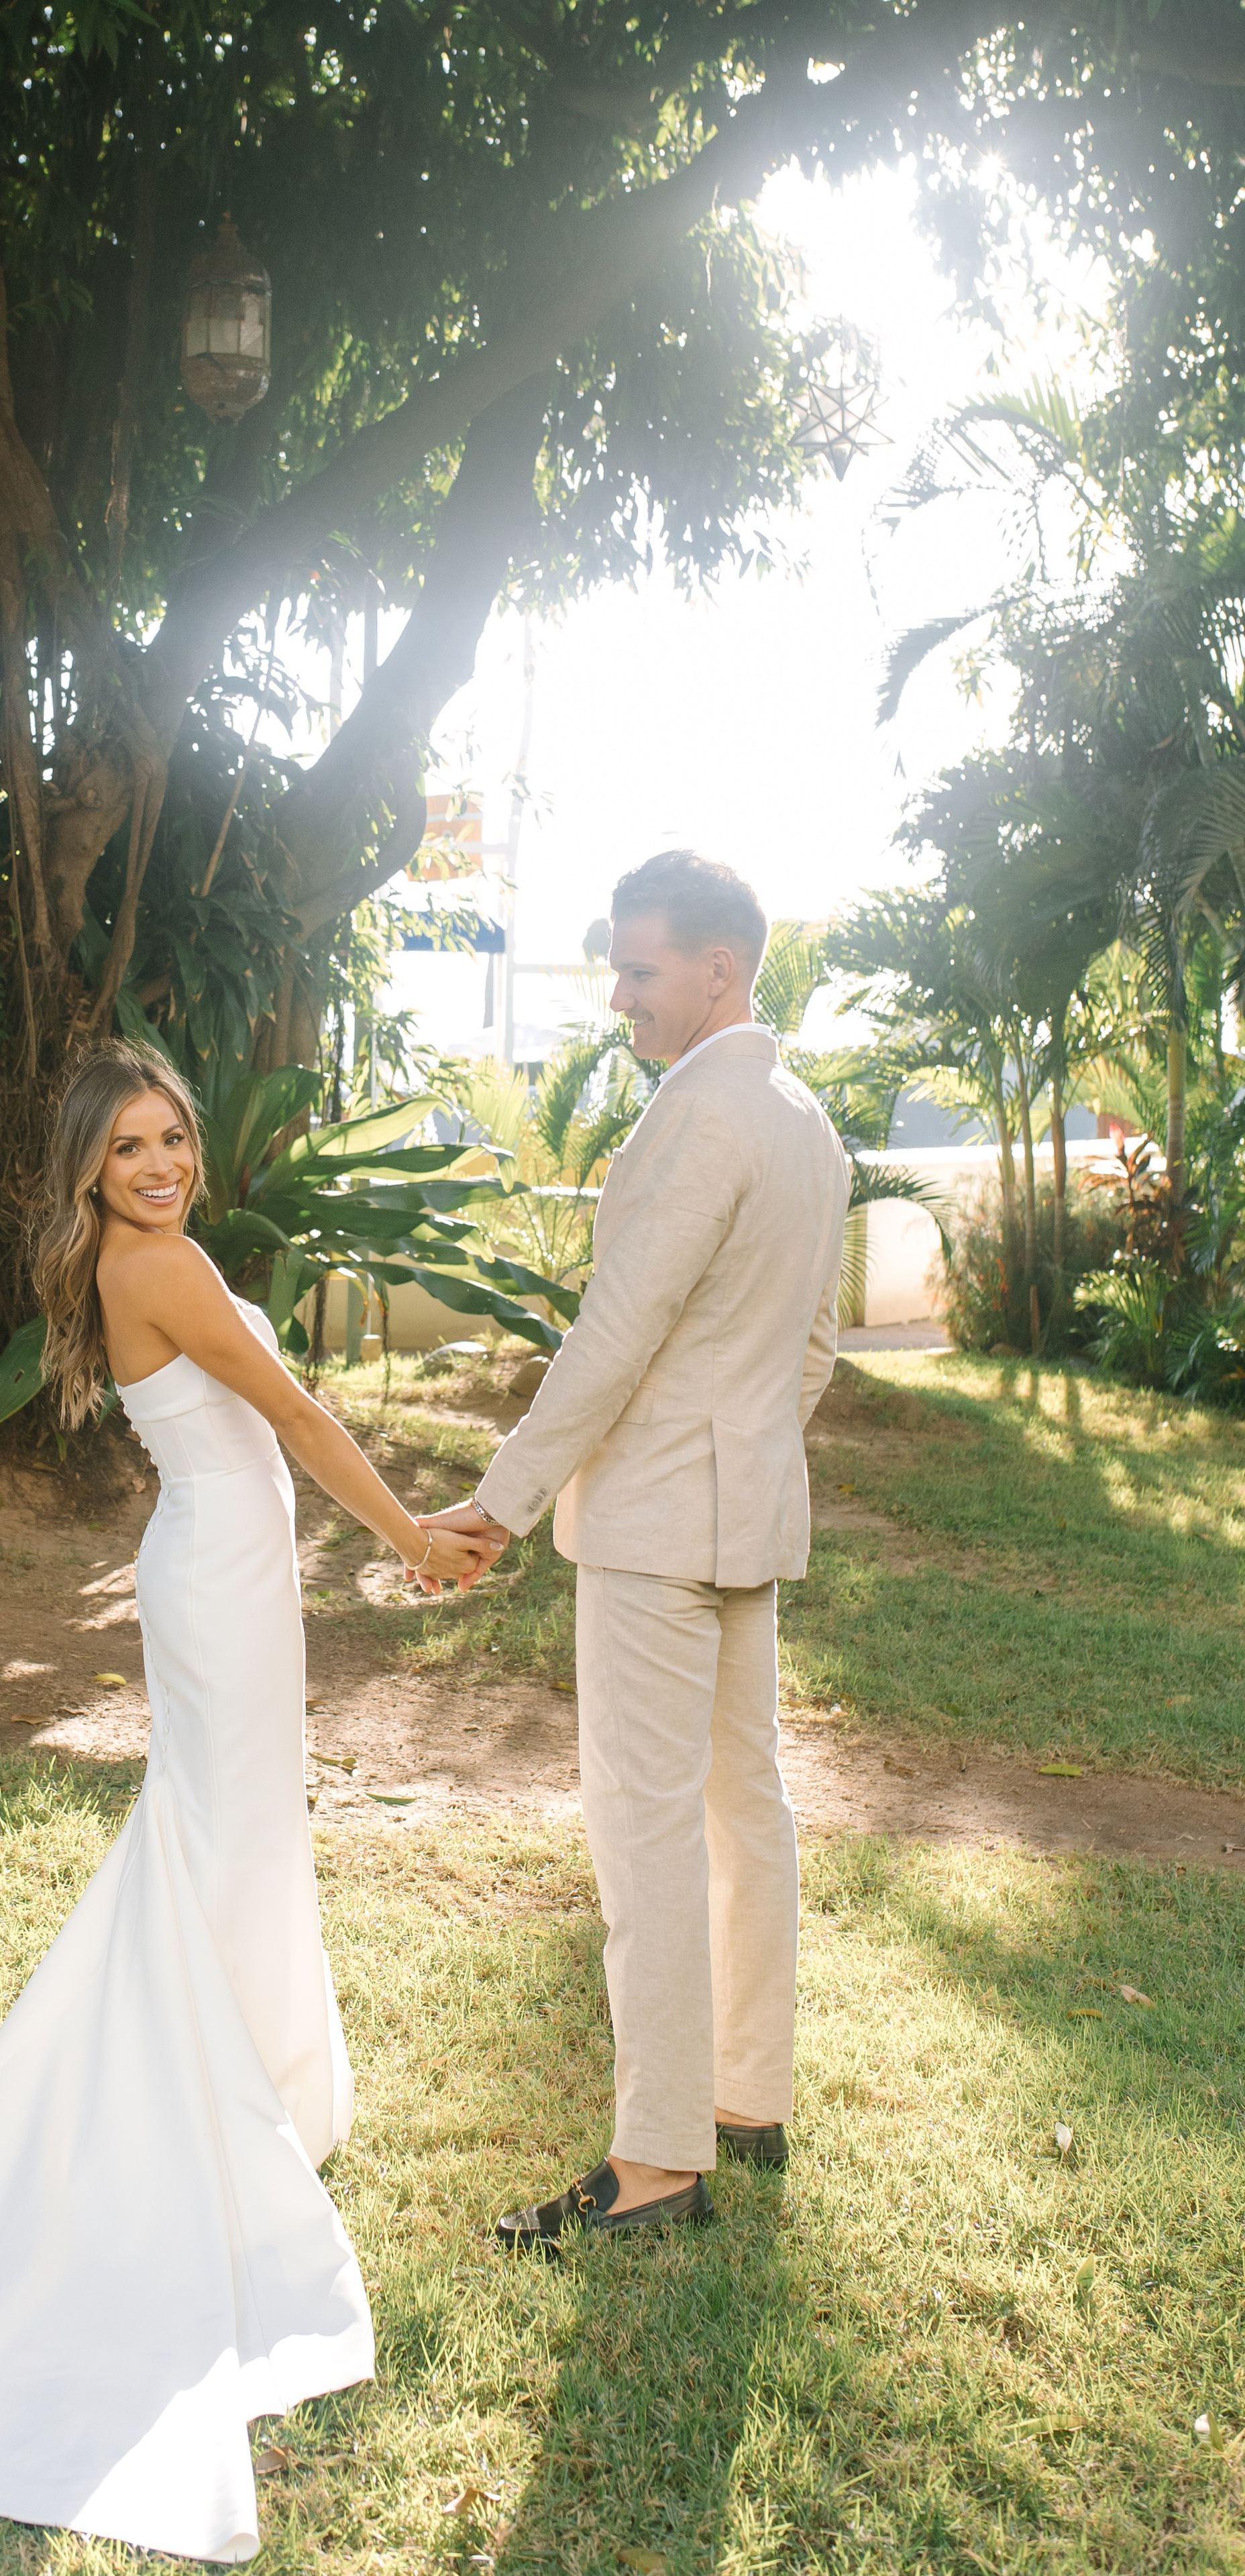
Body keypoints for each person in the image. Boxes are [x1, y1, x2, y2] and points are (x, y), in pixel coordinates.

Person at [0, 1041, 495, 2563]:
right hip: (216, 1578)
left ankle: (249, 2084)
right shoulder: (167, 1266)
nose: (160, 1163)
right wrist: (412, 1534)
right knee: (214, 1843)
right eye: (130, 1146)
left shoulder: (136, 1261)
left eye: (173, 1138)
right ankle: (183, 2112)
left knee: (238, 1838)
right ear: (90, 1167)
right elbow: (297, 1415)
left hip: (221, 1572)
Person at [426, 850, 850, 2244]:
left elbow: (616, 1333)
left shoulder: (700, 1116)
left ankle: (656, 2161)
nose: (618, 995)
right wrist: (743, 1454)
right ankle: (745, 2097)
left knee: (646, 1831)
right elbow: (812, 1346)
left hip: (659, 1527)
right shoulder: (803, 1120)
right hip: (740, 1519)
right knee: (747, 1812)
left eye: (637, 968)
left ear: (716, 971)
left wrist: (502, 1496)